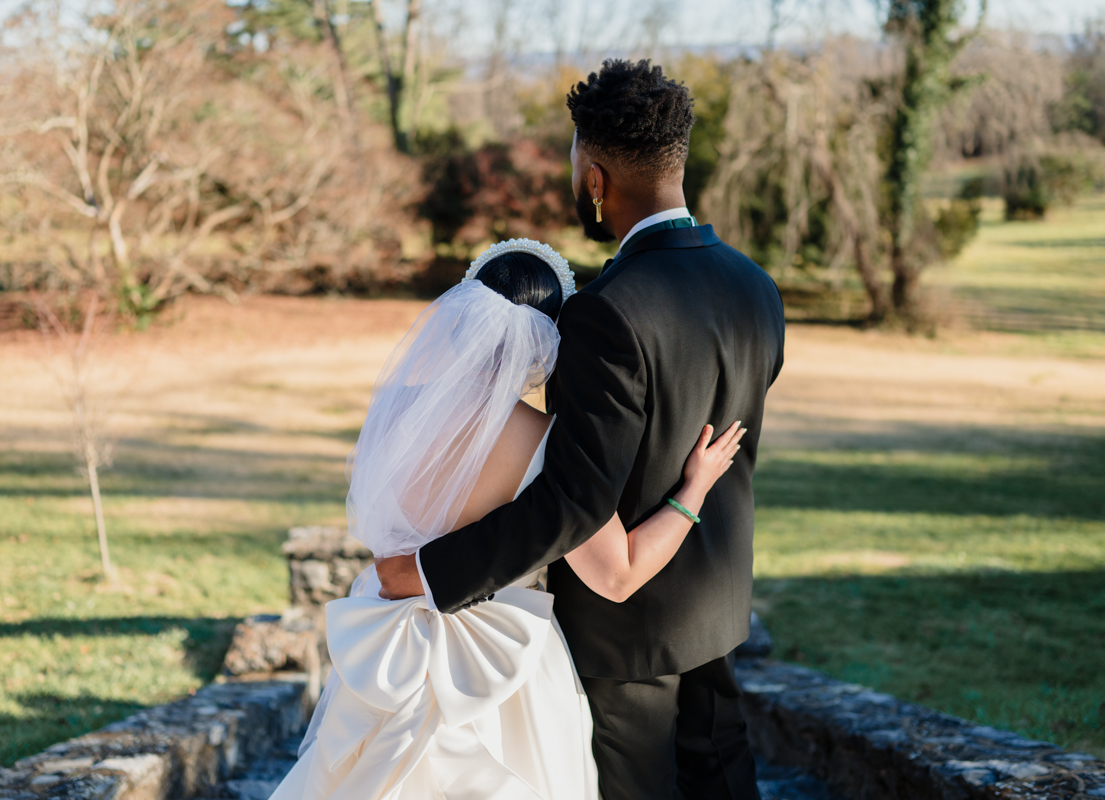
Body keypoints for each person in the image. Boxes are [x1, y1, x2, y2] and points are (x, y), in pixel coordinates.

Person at [377, 59, 786, 800]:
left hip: (623, 646)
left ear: (594, 179)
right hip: (718, 610)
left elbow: (571, 500)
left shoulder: (607, 311)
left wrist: (431, 573)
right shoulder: (756, 287)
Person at [268, 239, 747, 800]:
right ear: (546, 345)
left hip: (387, 642)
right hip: (500, 663)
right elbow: (618, 575)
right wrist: (694, 489)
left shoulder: (398, 408)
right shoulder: (545, 442)